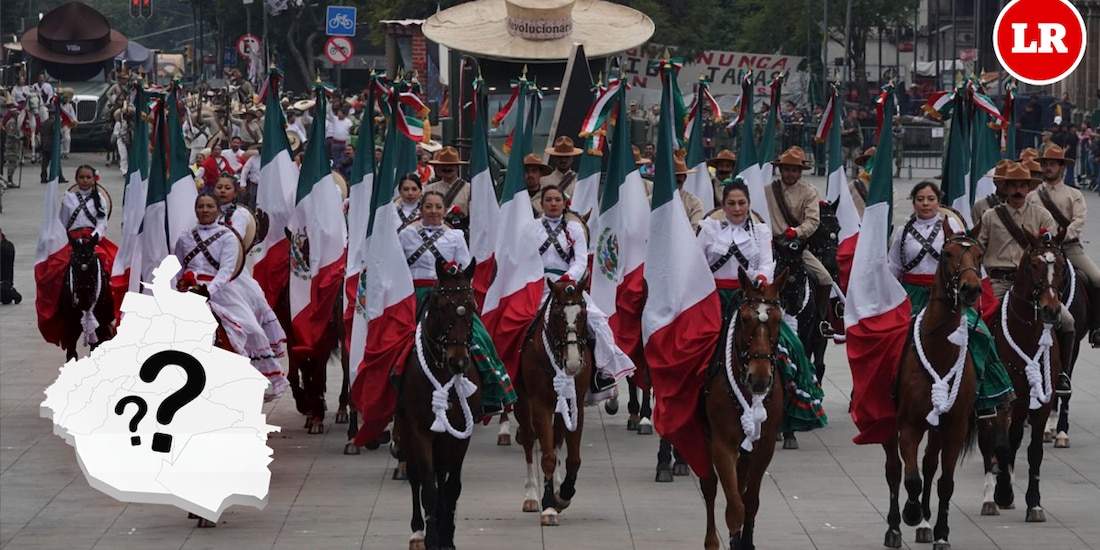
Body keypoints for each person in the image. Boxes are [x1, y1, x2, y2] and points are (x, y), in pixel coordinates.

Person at [697, 179, 827, 433]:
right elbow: (697, 263)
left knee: (793, 346)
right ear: (723, 205)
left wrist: (762, 278)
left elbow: (767, 263)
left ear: (748, 204)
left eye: (742, 203)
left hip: (752, 298)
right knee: (692, 349)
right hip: (713, 300)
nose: (737, 208)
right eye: (731, 203)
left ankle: (789, 404)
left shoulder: (760, 230)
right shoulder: (709, 228)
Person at [888, 181, 1015, 417]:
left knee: (980, 336)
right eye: (920, 199)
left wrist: (980, 286)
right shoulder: (902, 232)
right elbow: (893, 267)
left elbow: (968, 258)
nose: (925, 204)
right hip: (911, 294)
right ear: (914, 202)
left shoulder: (953, 226)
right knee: (894, 339)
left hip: (946, 296)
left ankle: (986, 394)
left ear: (939, 202)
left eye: (930, 199)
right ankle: (891, 391)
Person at [398, 191, 515, 416]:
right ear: (420, 209)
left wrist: (454, 286)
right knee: (395, 339)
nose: (433, 211)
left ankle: (491, 392)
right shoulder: (406, 235)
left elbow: (464, 269)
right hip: (413, 294)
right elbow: (398, 266)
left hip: (446, 295)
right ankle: (393, 392)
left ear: (445, 211)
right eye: (429, 206)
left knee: (480, 336)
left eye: (438, 207)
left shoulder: (455, 236)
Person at [175, 193, 289, 400]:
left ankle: (257, 380)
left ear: (218, 210)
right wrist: (179, 287)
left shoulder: (227, 237)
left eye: (210, 206)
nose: (205, 210)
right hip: (189, 291)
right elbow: (179, 266)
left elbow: (226, 270)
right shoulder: (184, 237)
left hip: (220, 291)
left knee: (253, 330)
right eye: (200, 206)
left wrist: (208, 291)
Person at [976, 161, 1071, 393]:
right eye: (1013, 185)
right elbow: (978, 249)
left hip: (1035, 284)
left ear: (1029, 188)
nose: (1018, 190)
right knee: (979, 321)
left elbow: (1052, 250)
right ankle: (978, 372)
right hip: (999, 281)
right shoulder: (990, 216)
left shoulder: (1042, 215)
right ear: (1005, 188)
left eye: (1022, 185)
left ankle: (1060, 374)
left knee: (1067, 322)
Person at [534, 185, 633, 395]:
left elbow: (580, 261)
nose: (553, 204)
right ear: (541, 203)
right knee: (516, 325)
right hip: (536, 285)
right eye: (549, 200)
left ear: (564, 203)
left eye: (557, 200)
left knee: (598, 322)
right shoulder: (531, 228)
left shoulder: (575, 229)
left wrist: (567, 279)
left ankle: (601, 372)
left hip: (567, 286)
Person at [212, 177, 290, 381]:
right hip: (205, 274)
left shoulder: (239, 215)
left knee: (252, 319)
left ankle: (254, 359)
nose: (222, 191)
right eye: (219, 187)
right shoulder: (207, 210)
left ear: (235, 192)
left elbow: (232, 240)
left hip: (233, 272)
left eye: (227, 188)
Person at [1027, 145, 1100, 347]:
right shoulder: (1033, 196)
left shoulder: (1074, 194)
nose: (1048, 167)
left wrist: (1059, 239)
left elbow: (1078, 221)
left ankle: (1096, 327)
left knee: (1097, 278)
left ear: (1062, 168)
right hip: (1040, 251)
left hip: (1070, 248)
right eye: (1045, 164)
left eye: (1052, 164)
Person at [764, 146, 836, 336]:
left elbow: (813, 221)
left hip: (795, 247)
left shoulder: (809, 192)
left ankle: (820, 321)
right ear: (780, 170)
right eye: (786, 169)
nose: (790, 173)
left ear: (800, 172)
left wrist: (796, 232)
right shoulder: (768, 190)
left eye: (794, 169)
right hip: (771, 247)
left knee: (825, 278)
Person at [59, 165, 116, 274]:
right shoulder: (68, 199)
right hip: (72, 240)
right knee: (58, 266)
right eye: (81, 177)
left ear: (94, 179)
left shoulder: (100, 200)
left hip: (93, 239)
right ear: (76, 179)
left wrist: (92, 238)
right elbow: (62, 224)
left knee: (109, 263)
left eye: (88, 177)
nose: (85, 180)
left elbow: (102, 225)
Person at [423, 146, 471, 215]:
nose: (447, 168)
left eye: (451, 165)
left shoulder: (468, 189)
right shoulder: (429, 188)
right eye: (444, 165)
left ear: (457, 167)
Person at [972, 159, 1012, 226]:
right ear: (995, 181)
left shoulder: (1021, 206)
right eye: (1003, 180)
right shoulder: (980, 206)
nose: (1006, 184)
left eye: (1010, 181)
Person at [673, 153, 705, 232]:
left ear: (685, 178)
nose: (676, 178)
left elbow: (697, 229)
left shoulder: (694, 203)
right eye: (673, 176)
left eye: (679, 175)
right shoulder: (651, 201)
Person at [39, 112, 67, 184]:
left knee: (44, 163)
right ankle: (60, 177)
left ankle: (43, 177)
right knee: (56, 161)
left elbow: (41, 133)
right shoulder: (54, 122)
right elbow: (56, 132)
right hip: (52, 144)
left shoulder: (44, 123)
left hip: (44, 143)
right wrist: (60, 138)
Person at [0, 228, 21, 305]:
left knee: (5, 296)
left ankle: (12, 293)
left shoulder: (8, 246)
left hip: (4, 282)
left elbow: (6, 252)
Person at [841, 109, 862, 180]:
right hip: (846, 142)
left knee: (855, 158)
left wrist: (861, 141)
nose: (855, 115)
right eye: (854, 113)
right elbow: (841, 131)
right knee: (843, 159)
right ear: (850, 113)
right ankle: (842, 172)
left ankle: (854, 173)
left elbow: (859, 132)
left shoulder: (856, 123)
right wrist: (848, 131)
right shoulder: (844, 122)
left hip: (855, 142)